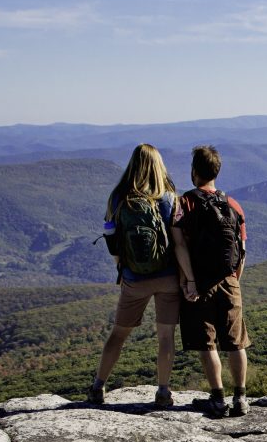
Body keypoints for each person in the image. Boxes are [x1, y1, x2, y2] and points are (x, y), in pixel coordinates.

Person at [90, 143, 196, 408]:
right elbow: (179, 243)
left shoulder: (118, 197)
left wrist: (122, 268)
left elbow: (111, 239)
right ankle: (162, 391)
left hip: (133, 278)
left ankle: (98, 387)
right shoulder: (170, 198)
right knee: (165, 336)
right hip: (168, 277)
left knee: (118, 334)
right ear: (158, 165)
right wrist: (187, 278)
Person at [174, 144, 251, 418]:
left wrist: (189, 281)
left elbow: (179, 245)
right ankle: (241, 397)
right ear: (217, 171)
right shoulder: (232, 204)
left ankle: (218, 398)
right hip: (229, 281)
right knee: (236, 341)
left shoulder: (185, 204)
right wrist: (234, 280)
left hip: (200, 283)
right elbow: (242, 249)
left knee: (207, 343)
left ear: (194, 172)